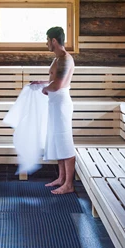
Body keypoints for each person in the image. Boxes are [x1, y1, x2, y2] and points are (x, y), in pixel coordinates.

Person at [34, 26, 76, 195]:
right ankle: (61, 178)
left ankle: (69, 184)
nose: (46, 44)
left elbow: (59, 84)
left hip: (61, 104)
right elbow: (55, 79)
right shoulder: (57, 58)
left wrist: (46, 89)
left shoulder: (65, 59)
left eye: (47, 40)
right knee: (57, 140)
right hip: (54, 103)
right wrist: (42, 82)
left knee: (65, 142)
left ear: (53, 40)